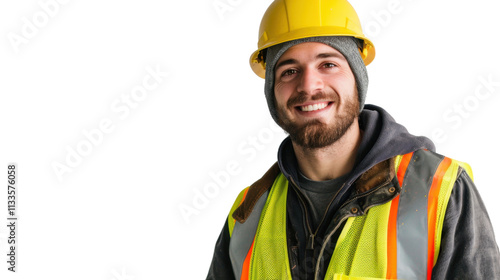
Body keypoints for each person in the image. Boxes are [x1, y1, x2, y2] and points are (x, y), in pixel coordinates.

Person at [206, 0, 500, 279]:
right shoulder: (247, 213)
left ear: (357, 77)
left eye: (328, 64)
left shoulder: (441, 191)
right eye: (289, 71)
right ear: (272, 90)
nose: (309, 86)